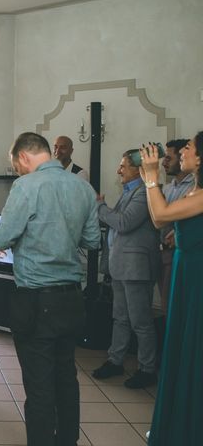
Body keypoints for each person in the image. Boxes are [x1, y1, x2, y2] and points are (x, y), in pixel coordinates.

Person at [0, 132, 100, 446]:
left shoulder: (26, 186)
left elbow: (1, 238)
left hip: (36, 299)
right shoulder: (82, 187)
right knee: (66, 379)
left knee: (39, 387)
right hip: (71, 298)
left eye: (17, 166)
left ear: (24, 157)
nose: (18, 172)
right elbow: (93, 241)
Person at [140, 136, 203, 446]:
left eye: (189, 147)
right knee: (178, 341)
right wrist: (149, 180)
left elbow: (162, 214)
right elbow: (157, 217)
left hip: (197, 277)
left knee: (193, 346)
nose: (184, 152)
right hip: (184, 269)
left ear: (201, 158)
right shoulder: (194, 190)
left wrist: (152, 177)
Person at [92, 150, 159, 389]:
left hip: (137, 268)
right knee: (120, 317)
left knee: (141, 321)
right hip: (121, 266)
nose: (119, 170)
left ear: (138, 169)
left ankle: (147, 368)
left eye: (123, 166)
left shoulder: (144, 193)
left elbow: (124, 223)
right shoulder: (129, 192)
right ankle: (115, 360)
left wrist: (100, 207)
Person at [157, 139, 193, 314]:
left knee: (174, 308)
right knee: (166, 307)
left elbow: (163, 218)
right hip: (162, 253)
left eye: (168, 158)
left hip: (179, 253)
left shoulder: (194, 188)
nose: (164, 162)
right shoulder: (169, 188)